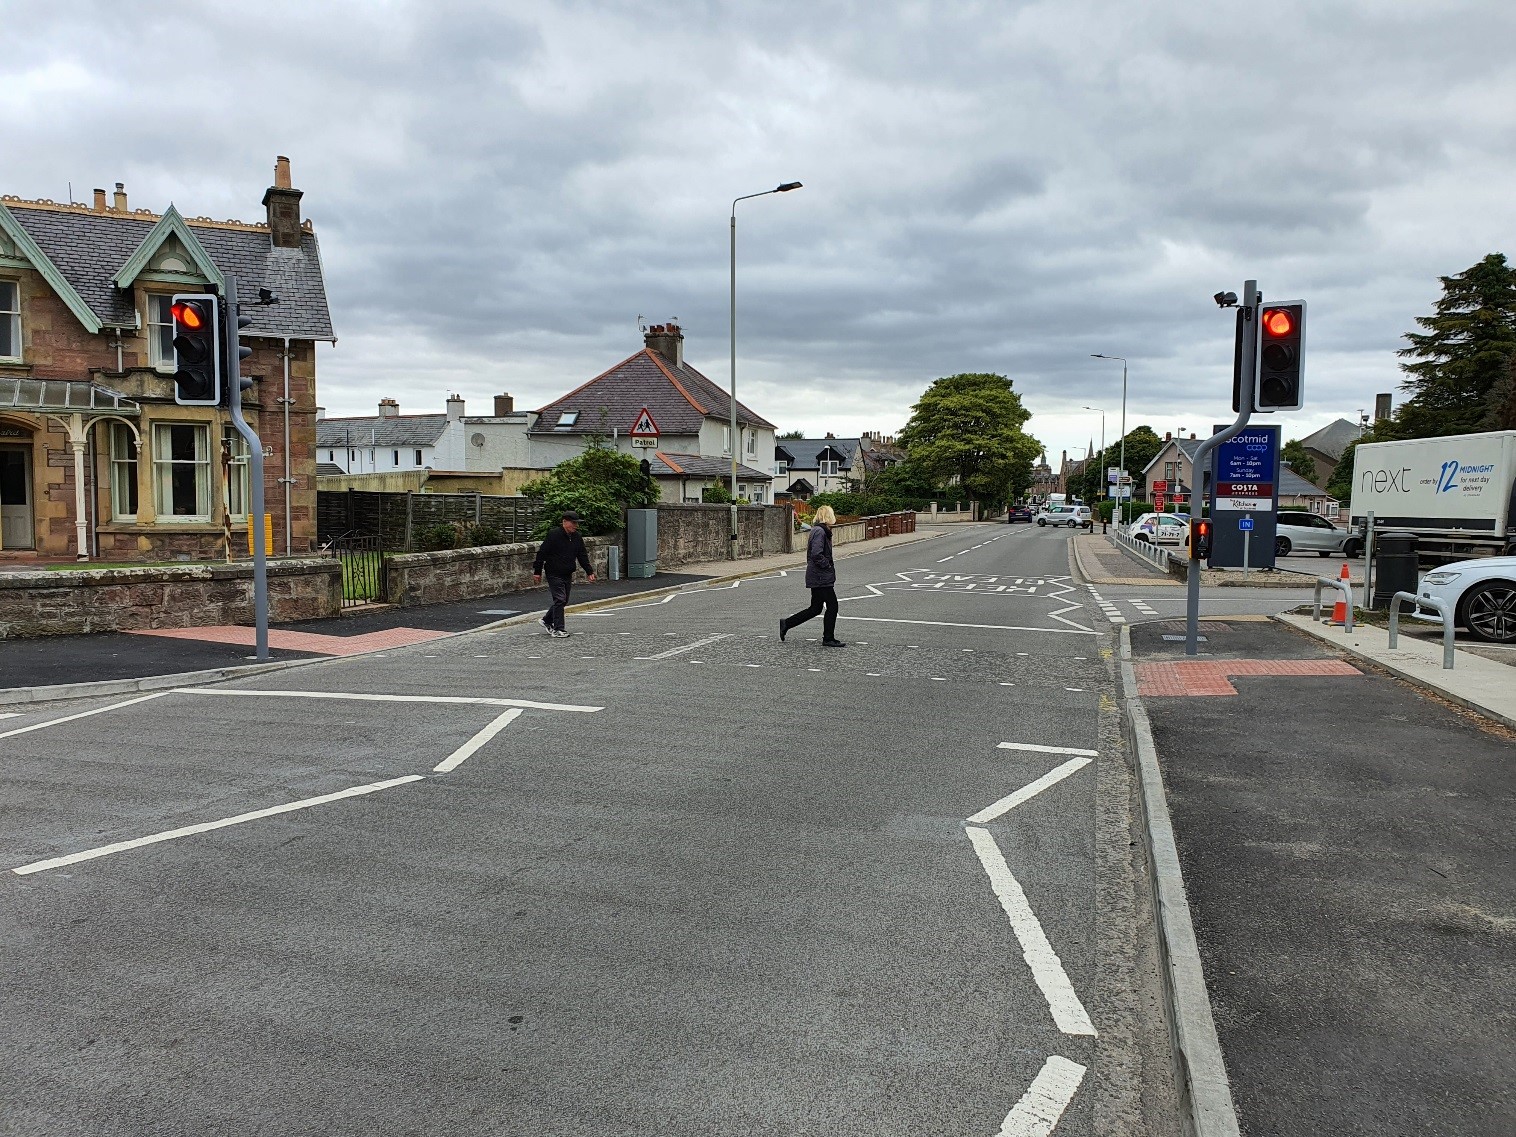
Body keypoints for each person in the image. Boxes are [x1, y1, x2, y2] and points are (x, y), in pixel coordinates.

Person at [779, 504, 844, 647]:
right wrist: (826, 565)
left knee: (815, 608)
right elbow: (816, 554)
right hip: (820, 576)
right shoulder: (820, 532)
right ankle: (828, 638)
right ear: (828, 516)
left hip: (818, 575)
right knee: (832, 606)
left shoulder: (820, 530)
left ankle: (787, 623)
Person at [532, 510, 596, 638]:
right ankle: (558, 629)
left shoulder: (577, 537)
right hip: (553, 572)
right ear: (564, 522)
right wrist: (537, 572)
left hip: (567, 573)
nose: (575, 526)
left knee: (563, 600)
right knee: (560, 599)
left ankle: (546, 620)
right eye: (573, 523)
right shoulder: (554, 535)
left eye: (576, 523)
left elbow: (582, 555)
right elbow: (542, 553)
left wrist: (589, 571)